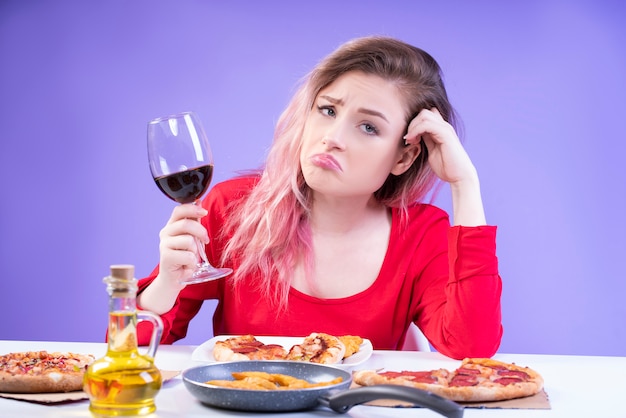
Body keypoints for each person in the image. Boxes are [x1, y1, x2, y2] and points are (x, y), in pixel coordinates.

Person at [136, 36, 503, 360]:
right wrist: (167, 283)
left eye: (369, 127)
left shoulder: (422, 233)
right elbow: (128, 349)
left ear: (403, 156)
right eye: (328, 110)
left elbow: (472, 346)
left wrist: (464, 184)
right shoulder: (231, 209)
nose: (332, 136)